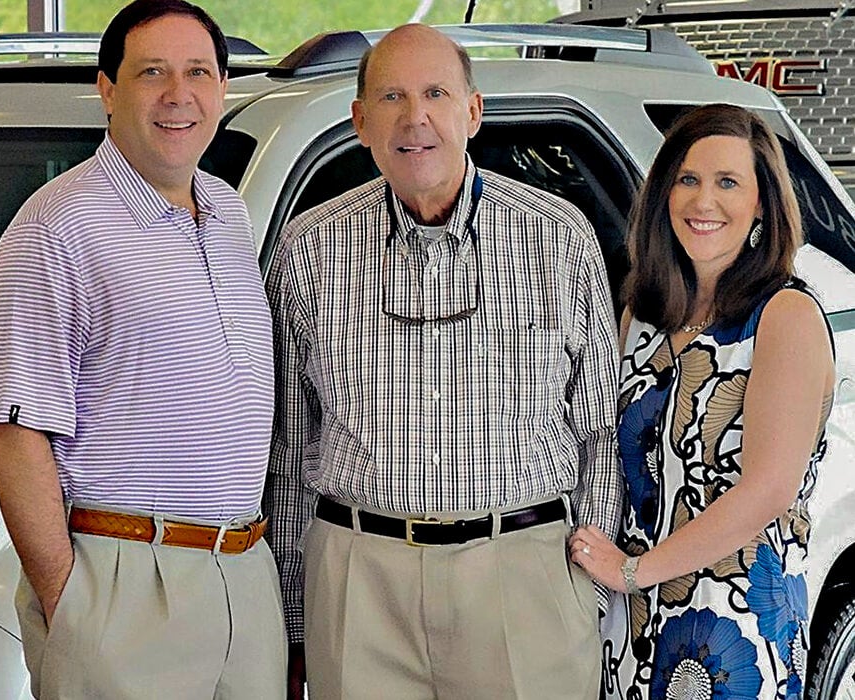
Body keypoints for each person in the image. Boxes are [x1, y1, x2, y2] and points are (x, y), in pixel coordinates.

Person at [265, 23, 622, 700]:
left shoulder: (558, 237)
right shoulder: (307, 249)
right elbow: (288, 451)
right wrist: (294, 620)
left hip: (522, 577)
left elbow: (598, 432)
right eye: (392, 97)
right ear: (360, 121)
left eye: (435, 93)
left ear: (473, 111)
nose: (415, 118)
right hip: (359, 584)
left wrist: (587, 590)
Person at [0, 1, 286, 697]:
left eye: (198, 72)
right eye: (152, 73)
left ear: (222, 88)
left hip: (242, 573)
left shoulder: (227, 212)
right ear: (108, 90)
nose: (179, 95)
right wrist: (71, 603)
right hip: (122, 579)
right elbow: (14, 430)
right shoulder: (57, 226)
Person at [569, 103, 835, 699]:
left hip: (734, 626)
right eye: (687, 179)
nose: (703, 201)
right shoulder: (644, 315)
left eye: (728, 182)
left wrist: (634, 571)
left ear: (762, 204)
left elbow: (767, 490)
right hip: (633, 624)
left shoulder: (785, 315)